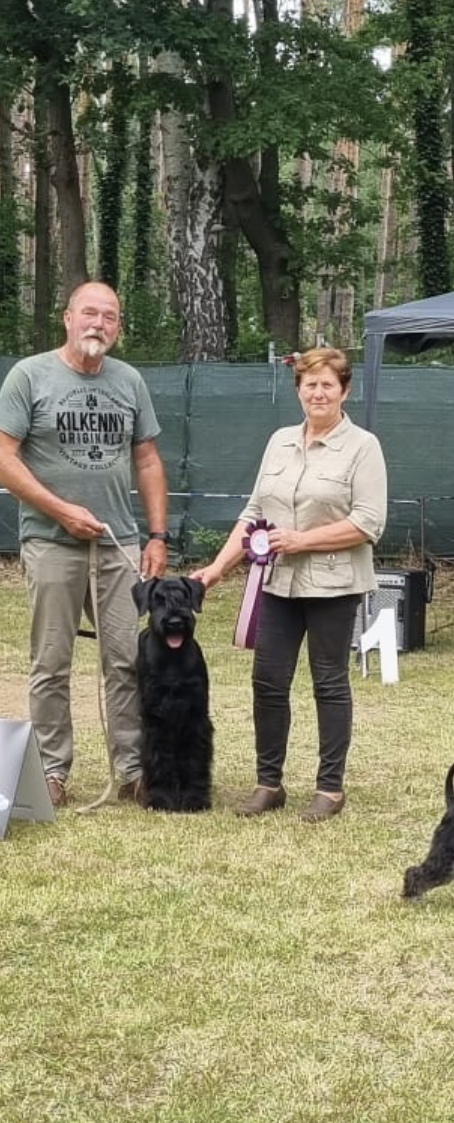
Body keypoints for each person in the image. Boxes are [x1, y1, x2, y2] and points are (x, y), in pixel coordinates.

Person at [0, 281, 168, 807]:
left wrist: (157, 535)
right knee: (51, 662)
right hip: (50, 542)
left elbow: (148, 460)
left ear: (118, 327)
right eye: (89, 313)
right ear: (67, 318)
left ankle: (133, 771)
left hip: (118, 544)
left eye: (109, 317)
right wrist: (61, 510)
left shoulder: (129, 381)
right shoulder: (29, 376)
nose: (98, 324)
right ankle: (51, 773)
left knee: (127, 660)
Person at [192, 346, 387, 822]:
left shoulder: (364, 446)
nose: (318, 393)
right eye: (309, 384)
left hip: (335, 585)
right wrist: (216, 569)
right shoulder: (279, 441)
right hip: (278, 583)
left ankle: (330, 788)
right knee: (268, 681)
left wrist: (302, 540)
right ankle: (269, 784)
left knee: (329, 683)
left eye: (327, 385)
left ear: (344, 391)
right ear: (298, 390)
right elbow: (253, 515)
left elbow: (368, 522)